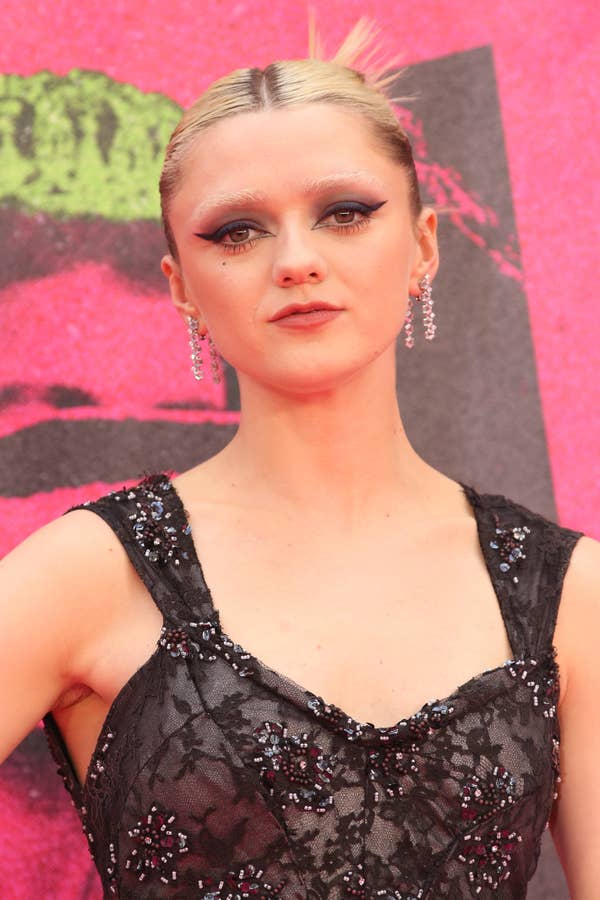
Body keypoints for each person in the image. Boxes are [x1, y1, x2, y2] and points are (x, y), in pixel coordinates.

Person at [1, 15, 598, 900]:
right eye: (236, 231)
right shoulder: (88, 574)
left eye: (345, 213)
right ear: (181, 285)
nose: (296, 261)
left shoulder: (568, 594)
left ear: (423, 246)